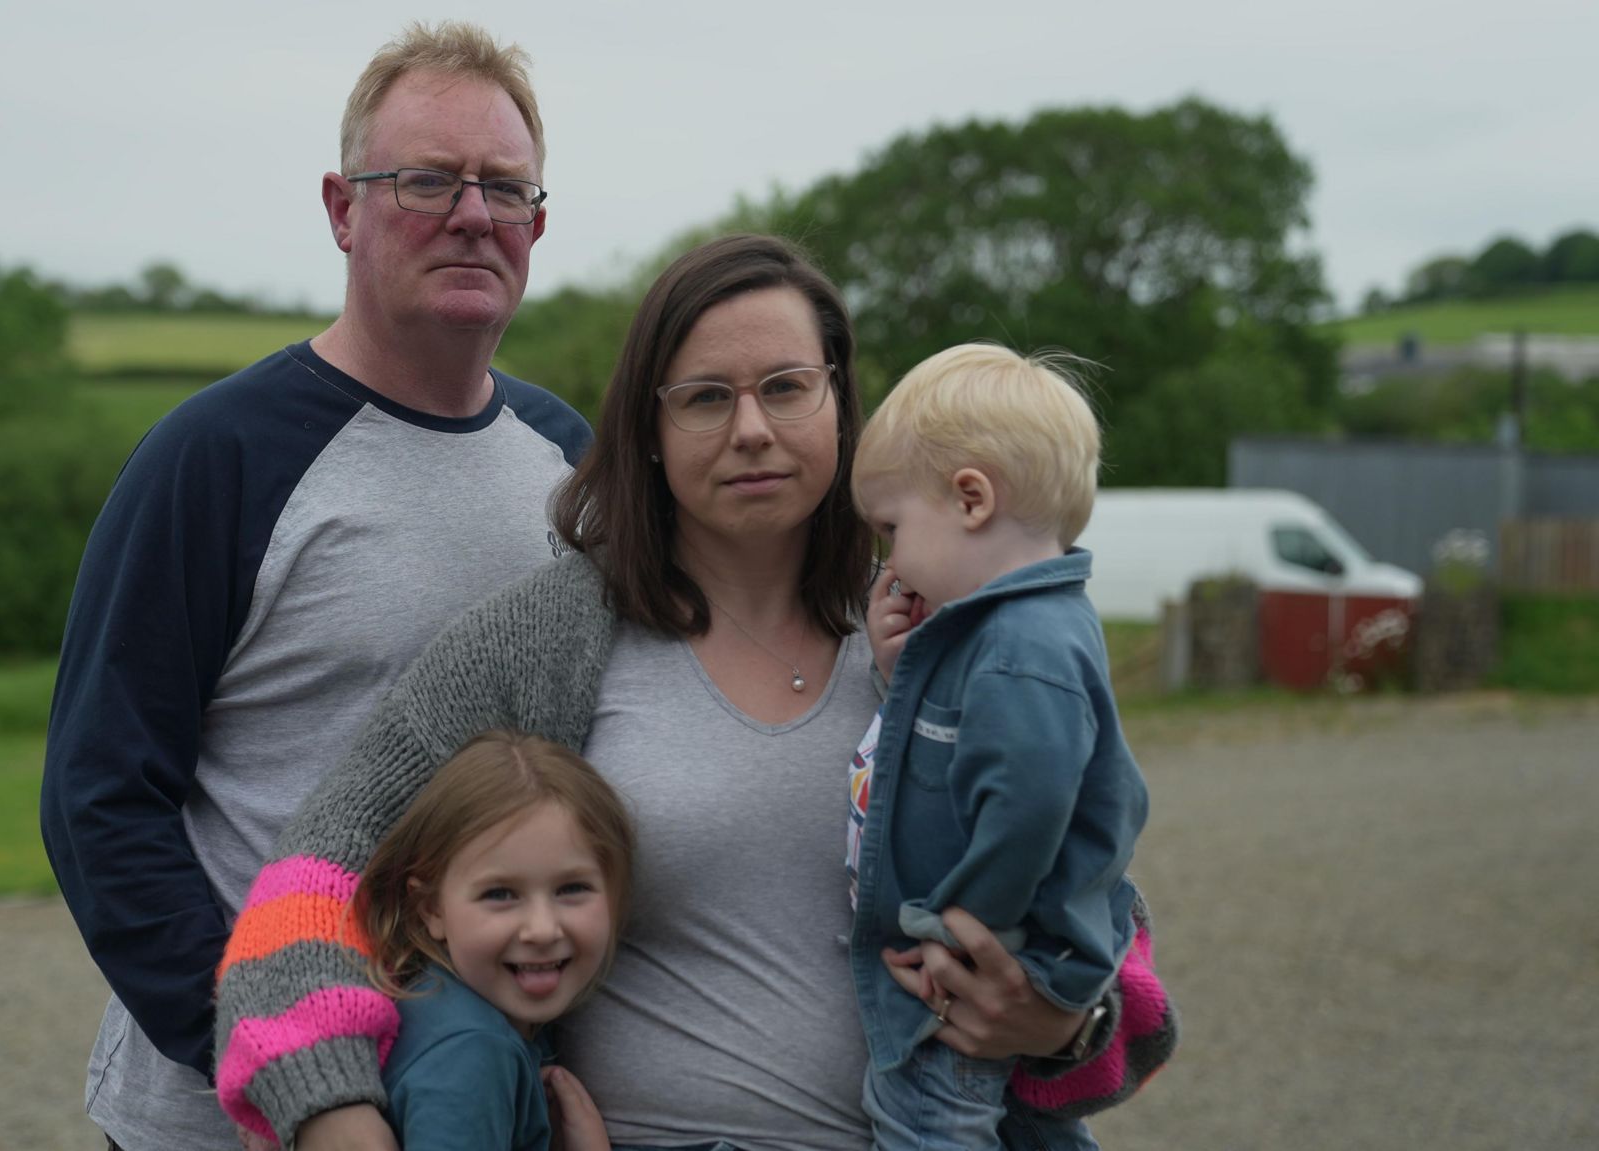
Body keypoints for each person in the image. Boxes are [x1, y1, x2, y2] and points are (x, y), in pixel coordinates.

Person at [214, 234, 1177, 1150]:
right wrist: (331, 1107)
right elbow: (314, 886)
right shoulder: (542, 639)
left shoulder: (955, 635)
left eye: (788, 388)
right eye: (707, 397)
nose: (752, 429)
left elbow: (1108, 961)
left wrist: (1065, 1027)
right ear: (649, 430)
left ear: (842, 404)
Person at [39, 22, 588, 1151]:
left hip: (484, 1108)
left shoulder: (574, 463)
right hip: (220, 1120)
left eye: (504, 187)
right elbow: (101, 797)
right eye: (426, 179)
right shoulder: (218, 455)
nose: (472, 214)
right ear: (343, 208)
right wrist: (270, 1062)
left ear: (537, 220)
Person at [844, 345, 1152, 1150]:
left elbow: (1028, 807)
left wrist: (956, 929)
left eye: (892, 528)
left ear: (971, 499)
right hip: (997, 961)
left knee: (921, 1120)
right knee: (1019, 1130)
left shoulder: (1023, 648)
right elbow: (955, 766)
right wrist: (901, 675)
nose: (890, 561)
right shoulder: (1011, 633)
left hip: (976, 971)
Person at [340, 730, 632, 1150]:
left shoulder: (452, 1007)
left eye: (572, 889)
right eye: (500, 894)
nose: (543, 929)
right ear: (432, 909)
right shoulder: (472, 1052)